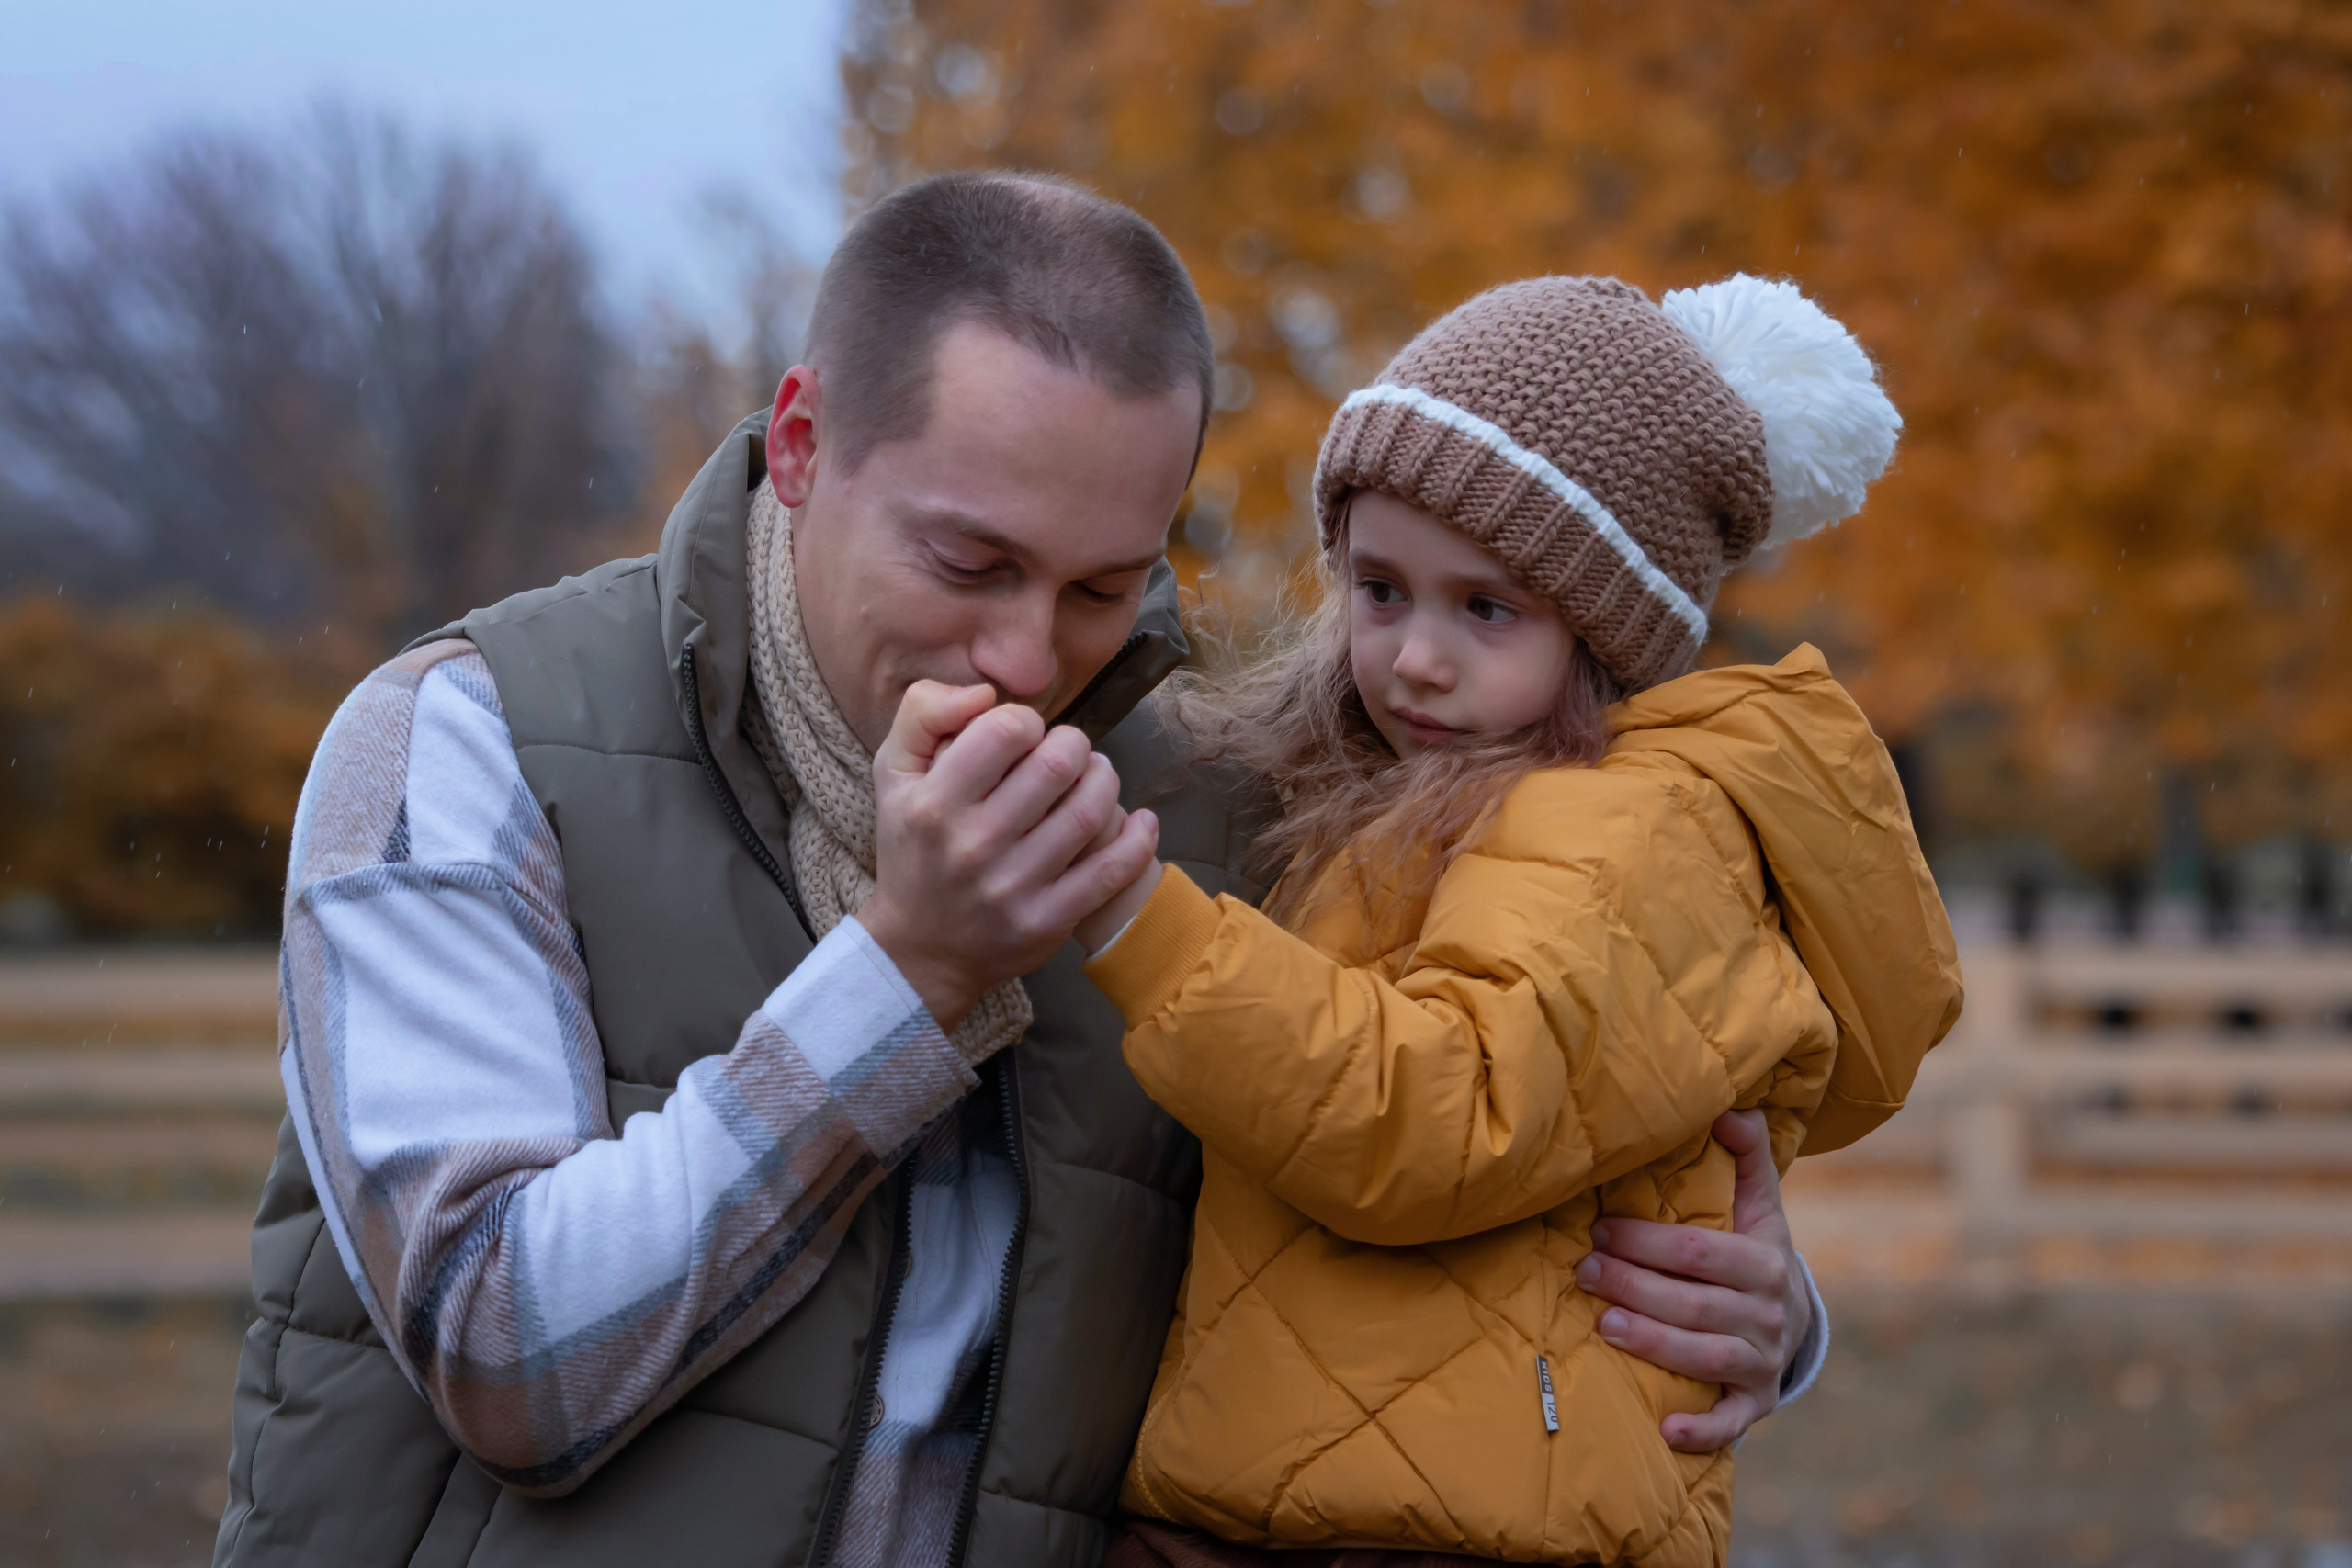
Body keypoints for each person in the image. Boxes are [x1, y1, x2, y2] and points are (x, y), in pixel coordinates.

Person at [214, 176, 1838, 1568]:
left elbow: (1431, 1127)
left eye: (1102, 588)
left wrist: (1757, 1311)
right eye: (968, 561)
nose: (1022, 656)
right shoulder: (466, 741)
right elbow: (506, 1355)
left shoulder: (1207, 800)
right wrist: (908, 973)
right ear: (800, 441)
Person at [1071, 276, 1965, 1567]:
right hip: (1305, 1499)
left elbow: (1432, 1110)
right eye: (1379, 589)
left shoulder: (1627, 838)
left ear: (1608, 633)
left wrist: (1132, 917)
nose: (1418, 656)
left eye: (1485, 606)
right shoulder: (1379, 792)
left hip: (1461, 1531)